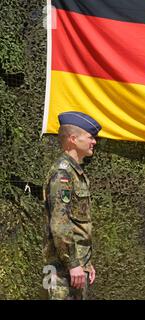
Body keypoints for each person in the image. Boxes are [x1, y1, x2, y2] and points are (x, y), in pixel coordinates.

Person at [42, 111, 102, 300]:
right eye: (90, 137)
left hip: (74, 268)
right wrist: (73, 264)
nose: (94, 142)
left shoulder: (77, 174)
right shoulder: (63, 174)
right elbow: (60, 224)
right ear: (73, 139)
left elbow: (78, 225)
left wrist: (86, 263)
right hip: (61, 271)